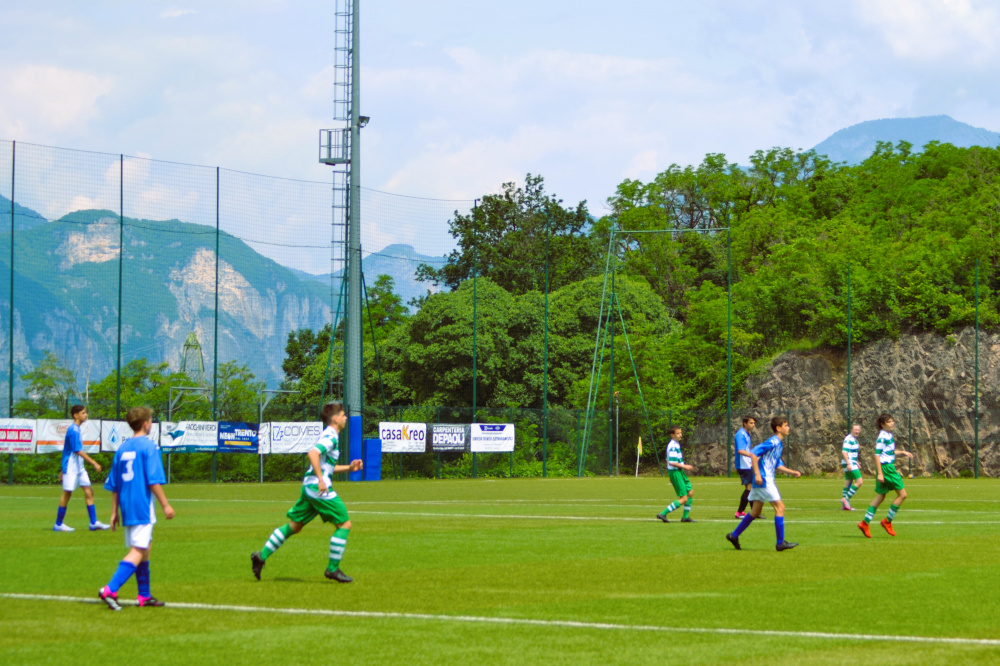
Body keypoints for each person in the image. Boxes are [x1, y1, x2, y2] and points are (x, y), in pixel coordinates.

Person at [252, 402, 363, 582]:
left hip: (309, 487)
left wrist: (349, 468)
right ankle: (332, 569)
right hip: (317, 488)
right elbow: (313, 454)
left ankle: (260, 556)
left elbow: (326, 468)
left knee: (295, 526)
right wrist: (321, 480)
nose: (346, 418)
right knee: (344, 524)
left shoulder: (329, 435)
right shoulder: (331, 436)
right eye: (343, 415)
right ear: (335, 419)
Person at [99, 406, 175, 610]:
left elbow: (114, 484)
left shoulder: (122, 448)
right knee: (139, 550)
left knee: (145, 547)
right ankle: (110, 590)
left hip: (127, 505)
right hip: (142, 505)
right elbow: (153, 480)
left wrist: (114, 512)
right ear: (146, 423)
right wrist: (165, 505)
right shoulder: (149, 447)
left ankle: (144, 595)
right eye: (151, 420)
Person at [726, 416, 802, 552]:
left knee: (755, 511)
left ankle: (734, 535)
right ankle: (780, 543)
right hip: (764, 479)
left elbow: (777, 464)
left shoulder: (779, 444)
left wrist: (792, 472)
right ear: (778, 428)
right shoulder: (772, 442)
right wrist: (757, 474)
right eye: (786, 425)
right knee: (780, 508)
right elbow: (753, 454)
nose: (788, 428)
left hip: (763, 480)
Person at [53, 405, 109, 532]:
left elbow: (68, 449)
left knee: (89, 491)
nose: (86, 415)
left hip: (79, 467)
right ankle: (58, 524)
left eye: (85, 412)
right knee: (67, 493)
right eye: (83, 413)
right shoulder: (73, 430)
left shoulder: (76, 429)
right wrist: (94, 463)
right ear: (75, 415)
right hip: (71, 467)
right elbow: (77, 450)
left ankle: (93, 522)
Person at [858, 413, 913, 538]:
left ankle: (865, 523)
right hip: (886, 468)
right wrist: (880, 474)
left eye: (892, 421)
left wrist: (902, 452)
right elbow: (877, 455)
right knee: (902, 495)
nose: (892, 423)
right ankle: (887, 521)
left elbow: (889, 452)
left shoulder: (888, 435)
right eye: (889, 421)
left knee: (881, 496)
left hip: (886, 467)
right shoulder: (882, 437)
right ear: (882, 424)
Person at [656, 426, 695, 523]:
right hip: (675, 472)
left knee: (690, 492)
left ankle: (685, 517)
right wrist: (685, 466)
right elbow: (672, 462)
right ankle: (663, 513)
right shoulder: (673, 446)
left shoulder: (676, 444)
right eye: (678, 433)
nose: (680, 435)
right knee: (684, 498)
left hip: (679, 471)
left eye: (681, 433)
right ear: (672, 435)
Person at [734, 416, 757, 518]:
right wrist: (752, 455)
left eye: (754, 423)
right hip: (743, 465)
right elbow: (740, 450)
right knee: (750, 488)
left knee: (752, 488)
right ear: (745, 423)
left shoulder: (746, 434)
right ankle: (739, 512)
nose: (753, 425)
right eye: (751, 423)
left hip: (747, 464)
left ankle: (754, 512)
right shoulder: (741, 434)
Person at [840, 424, 863, 510]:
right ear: (851, 430)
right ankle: (846, 499)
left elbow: (851, 452)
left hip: (850, 462)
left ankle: (845, 505)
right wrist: (849, 463)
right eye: (855, 429)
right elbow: (844, 452)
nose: (857, 431)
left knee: (849, 481)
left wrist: (856, 461)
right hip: (849, 463)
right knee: (859, 481)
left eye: (858, 430)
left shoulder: (854, 439)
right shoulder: (849, 439)